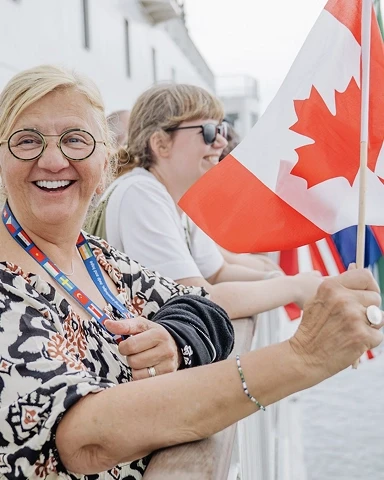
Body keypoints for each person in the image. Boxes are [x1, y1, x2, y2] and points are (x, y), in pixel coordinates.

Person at [0, 65, 383, 480]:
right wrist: (301, 358)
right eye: (27, 140)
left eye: (75, 140)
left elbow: (204, 307)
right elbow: (85, 438)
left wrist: (174, 341)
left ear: (104, 164)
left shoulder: (96, 256)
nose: (53, 160)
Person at [96, 83, 321, 319]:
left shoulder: (175, 197)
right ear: (160, 144)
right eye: (209, 132)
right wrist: (293, 287)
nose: (221, 143)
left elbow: (218, 272)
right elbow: (197, 300)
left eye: (222, 130)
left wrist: (279, 280)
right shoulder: (140, 193)